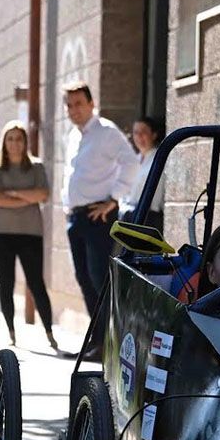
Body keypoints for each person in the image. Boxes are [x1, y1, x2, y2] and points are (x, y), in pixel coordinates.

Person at [60, 81, 139, 360]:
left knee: (98, 279)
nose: (73, 110)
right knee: (83, 278)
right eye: (69, 105)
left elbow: (131, 162)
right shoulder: (72, 135)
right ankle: (98, 343)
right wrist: (66, 205)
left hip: (99, 217)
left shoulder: (106, 132)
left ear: (91, 104)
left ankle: (109, 344)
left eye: (78, 103)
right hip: (77, 217)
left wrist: (114, 199)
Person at [0, 120, 57, 349]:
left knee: (36, 283)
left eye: (19, 138)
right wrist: (26, 197)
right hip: (0, 233)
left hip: (30, 233)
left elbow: (43, 195)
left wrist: (13, 194)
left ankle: (48, 331)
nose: (14, 143)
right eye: (10, 138)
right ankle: (11, 332)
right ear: (4, 142)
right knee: (5, 283)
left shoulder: (36, 167)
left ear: (25, 142)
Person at [118, 116, 166, 231]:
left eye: (143, 132)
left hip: (149, 217)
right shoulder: (133, 160)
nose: (139, 136)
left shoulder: (159, 159)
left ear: (153, 135)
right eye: (136, 132)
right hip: (129, 217)